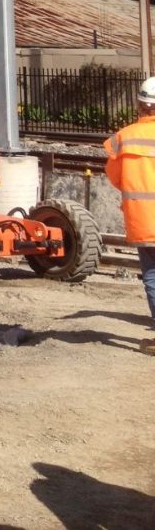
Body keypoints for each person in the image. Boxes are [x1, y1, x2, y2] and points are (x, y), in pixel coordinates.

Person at [104, 76, 155, 354]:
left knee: (152, 275)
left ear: (140, 105)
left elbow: (114, 175)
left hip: (144, 221)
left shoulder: (125, 136)